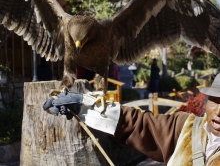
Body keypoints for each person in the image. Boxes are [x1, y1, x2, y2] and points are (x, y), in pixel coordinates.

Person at [43, 70, 220, 165]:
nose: (218, 112)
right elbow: (137, 123)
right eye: (215, 101)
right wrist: (82, 104)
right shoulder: (186, 127)